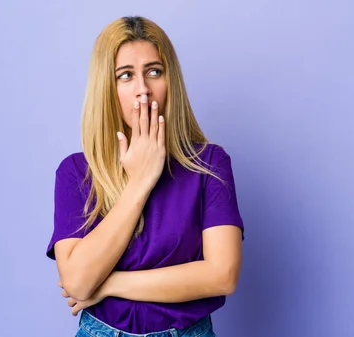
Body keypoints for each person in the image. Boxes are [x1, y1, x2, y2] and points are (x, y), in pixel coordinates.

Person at [45, 16, 244, 337]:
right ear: (106, 88)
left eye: (154, 72)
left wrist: (108, 284)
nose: (143, 89)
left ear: (171, 80)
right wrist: (140, 181)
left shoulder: (209, 164)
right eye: (125, 76)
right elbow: (79, 282)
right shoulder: (76, 173)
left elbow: (223, 275)